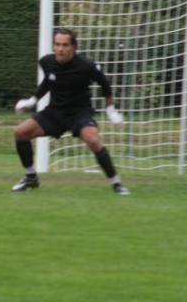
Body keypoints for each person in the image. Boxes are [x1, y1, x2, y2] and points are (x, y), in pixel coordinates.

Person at [11, 27, 130, 195]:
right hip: (54, 113)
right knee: (20, 132)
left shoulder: (86, 66)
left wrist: (111, 110)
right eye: (57, 44)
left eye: (65, 45)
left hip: (79, 113)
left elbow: (105, 85)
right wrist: (32, 101)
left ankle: (116, 183)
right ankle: (31, 178)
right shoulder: (46, 62)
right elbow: (49, 81)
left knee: (93, 140)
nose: (60, 49)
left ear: (73, 46)